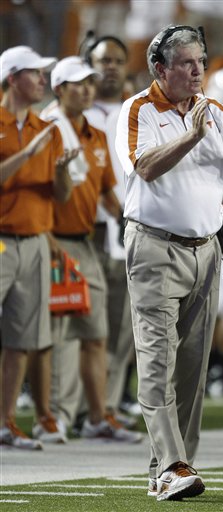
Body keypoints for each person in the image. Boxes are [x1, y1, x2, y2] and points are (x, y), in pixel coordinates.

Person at [116, 25, 223, 501]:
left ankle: (173, 466)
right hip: (154, 247)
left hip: (206, 251)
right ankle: (172, 465)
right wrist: (191, 139)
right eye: (188, 63)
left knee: (193, 367)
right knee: (156, 359)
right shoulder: (138, 109)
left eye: (202, 62)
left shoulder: (213, 110)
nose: (198, 71)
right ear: (161, 68)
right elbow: (146, 167)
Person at [42, 56, 142, 444]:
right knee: (56, 336)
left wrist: (130, 221)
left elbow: (105, 192)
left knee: (95, 334)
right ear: (59, 89)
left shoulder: (96, 133)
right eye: (76, 83)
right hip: (51, 239)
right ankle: (53, 416)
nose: (85, 89)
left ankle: (97, 416)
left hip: (85, 241)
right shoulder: (47, 129)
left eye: (88, 82)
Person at [0, 45, 77, 449]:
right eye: (35, 74)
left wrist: (63, 172)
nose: (43, 81)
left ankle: (5, 421)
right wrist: (24, 156)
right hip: (0, 242)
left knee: (21, 340)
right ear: (13, 78)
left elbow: (60, 197)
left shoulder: (43, 129)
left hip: (33, 241)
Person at [83, 35, 139, 427]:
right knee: (82, 328)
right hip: (84, 233)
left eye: (118, 60)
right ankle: (78, 408)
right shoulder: (73, 113)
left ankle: (108, 408)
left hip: (127, 233)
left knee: (121, 331)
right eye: (104, 60)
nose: (112, 67)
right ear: (88, 63)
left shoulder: (138, 112)